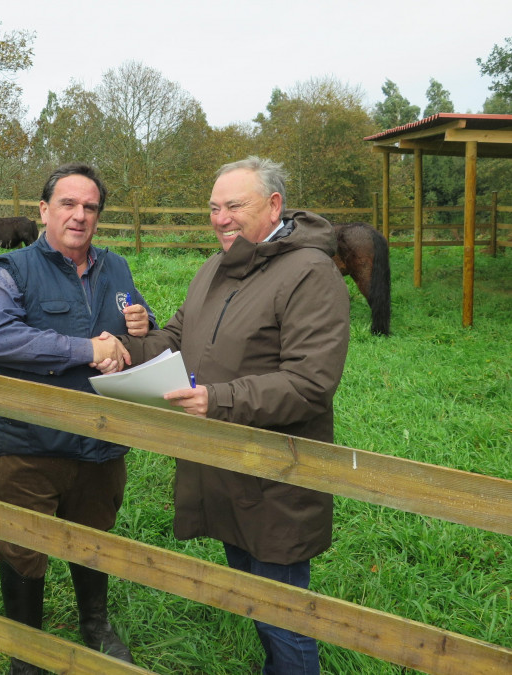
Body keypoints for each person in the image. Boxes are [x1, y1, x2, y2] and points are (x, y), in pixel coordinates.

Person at [118, 156, 350, 675]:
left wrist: (216, 400)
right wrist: (127, 350)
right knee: (252, 594)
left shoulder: (310, 274)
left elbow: (310, 384)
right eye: (213, 208)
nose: (220, 218)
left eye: (233, 206)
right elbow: (177, 338)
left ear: (273, 205)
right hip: (222, 467)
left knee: (282, 616)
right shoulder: (216, 267)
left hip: (275, 479)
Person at [0, 162, 155, 674]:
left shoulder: (116, 268)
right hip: (30, 444)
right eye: (68, 204)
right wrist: (84, 348)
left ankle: (93, 625)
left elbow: (135, 324)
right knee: (23, 547)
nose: (79, 215)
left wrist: (143, 323)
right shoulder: (11, 270)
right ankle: (27, 651)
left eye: (90, 207)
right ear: (44, 210)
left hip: (101, 441)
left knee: (94, 538)